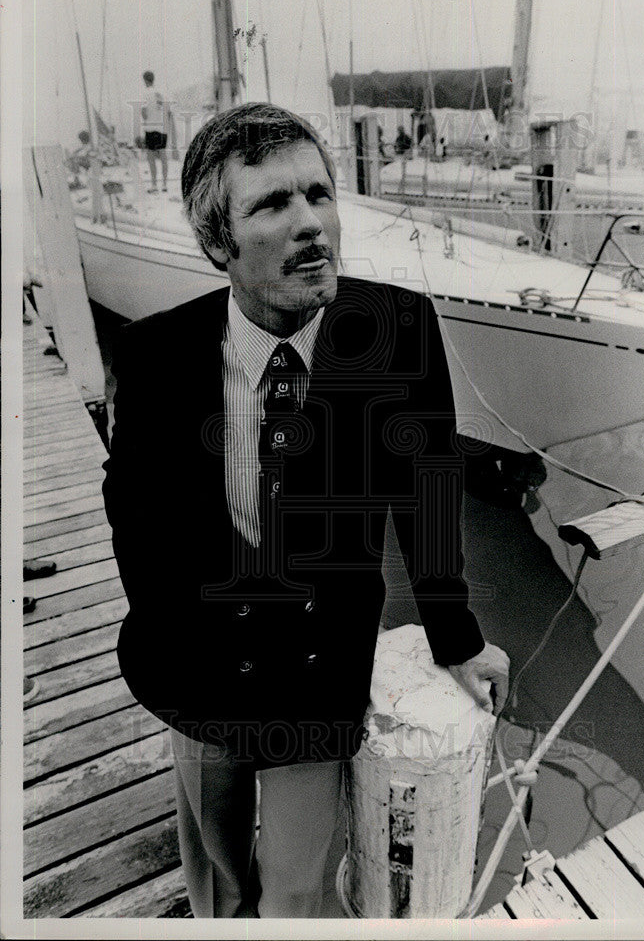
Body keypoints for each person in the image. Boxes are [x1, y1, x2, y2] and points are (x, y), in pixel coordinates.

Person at [103, 102, 509, 919]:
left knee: (296, 889)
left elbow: (426, 504)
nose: (311, 224)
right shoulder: (154, 355)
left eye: (318, 194)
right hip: (198, 668)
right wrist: (184, 647)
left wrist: (456, 640)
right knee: (218, 877)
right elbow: (135, 524)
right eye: (272, 205)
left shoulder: (397, 330)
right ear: (219, 242)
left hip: (317, 670)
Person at [141, 70, 170, 193]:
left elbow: (144, 113)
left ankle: (154, 185)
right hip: (162, 128)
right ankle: (164, 184)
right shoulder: (162, 93)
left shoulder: (145, 94)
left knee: (151, 157)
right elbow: (168, 112)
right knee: (163, 156)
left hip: (151, 128)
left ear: (145, 80)